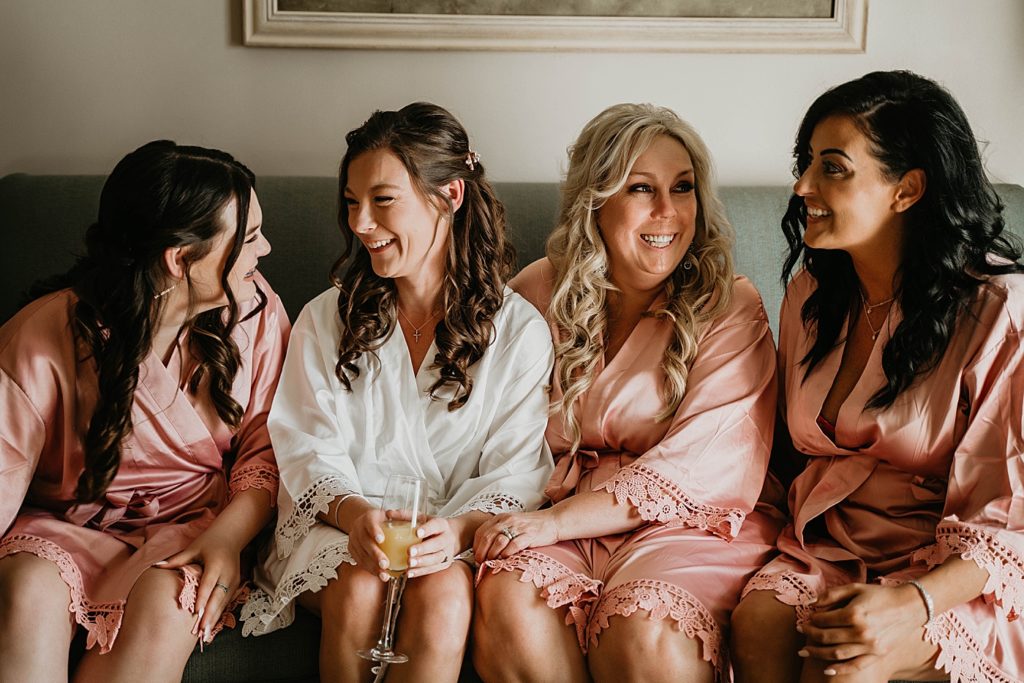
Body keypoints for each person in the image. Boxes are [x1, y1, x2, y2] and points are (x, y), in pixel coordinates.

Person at [240, 102, 554, 683]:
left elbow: (517, 472)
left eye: (382, 200)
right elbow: (305, 447)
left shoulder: (518, 332)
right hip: (337, 527)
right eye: (351, 202)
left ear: (450, 196)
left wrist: (454, 532)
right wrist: (355, 514)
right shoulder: (325, 319)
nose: (361, 223)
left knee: (445, 593)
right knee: (361, 586)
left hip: (454, 537)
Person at [472, 103, 783, 683]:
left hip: (691, 522)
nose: (668, 212)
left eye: (683, 188)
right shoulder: (540, 289)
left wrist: (556, 523)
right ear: (595, 200)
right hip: (553, 506)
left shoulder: (728, 304)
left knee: (642, 626)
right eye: (642, 188)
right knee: (508, 598)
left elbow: (705, 467)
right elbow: (475, 414)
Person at [730, 70, 1024, 683]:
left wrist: (914, 603)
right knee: (757, 622)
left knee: (842, 662)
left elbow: (1011, 513)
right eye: (806, 163)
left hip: (960, 573)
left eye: (833, 168)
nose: (802, 186)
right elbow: (781, 454)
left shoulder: (999, 312)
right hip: (829, 548)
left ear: (906, 190)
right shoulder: (811, 295)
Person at [0, 140, 288, 682]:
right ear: (179, 259)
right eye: (249, 237)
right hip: (64, 527)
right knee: (29, 589)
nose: (266, 249)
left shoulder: (257, 312)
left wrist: (228, 539)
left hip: (197, 528)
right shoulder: (41, 337)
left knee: (170, 600)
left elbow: (267, 452)